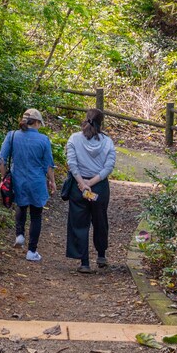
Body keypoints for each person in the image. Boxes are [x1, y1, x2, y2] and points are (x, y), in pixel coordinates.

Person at [0, 108, 56, 262]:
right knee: (36, 215)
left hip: (18, 181)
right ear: (36, 122)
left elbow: (2, 159)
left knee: (21, 206)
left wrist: (4, 177)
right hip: (37, 182)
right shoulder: (43, 140)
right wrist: (52, 181)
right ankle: (31, 251)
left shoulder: (12, 136)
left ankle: (19, 235)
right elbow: (48, 165)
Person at [65, 108, 116, 273]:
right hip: (99, 186)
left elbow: (72, 163)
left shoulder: (74, 139)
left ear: (86, 120)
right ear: (101, 123)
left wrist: (82, 183)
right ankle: (101, 255)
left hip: (78, 187)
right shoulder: (107, 142)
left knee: (79, 223)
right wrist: (92, 182)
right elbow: (109, 166)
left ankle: (84, 262)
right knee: (100, 220)